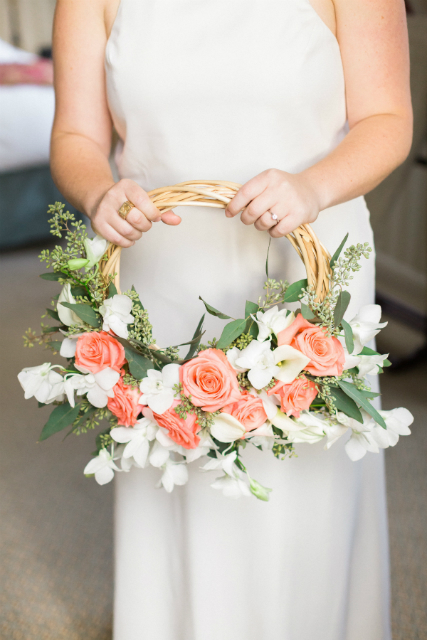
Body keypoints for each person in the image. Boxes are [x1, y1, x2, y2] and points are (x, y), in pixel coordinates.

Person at [50, 1, 412, 638]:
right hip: (160, 267)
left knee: (301, 487)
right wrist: (96, 192)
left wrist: (313, 188)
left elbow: (386, 120)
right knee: (175, 475)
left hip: (309, 260)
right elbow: (78, 136)